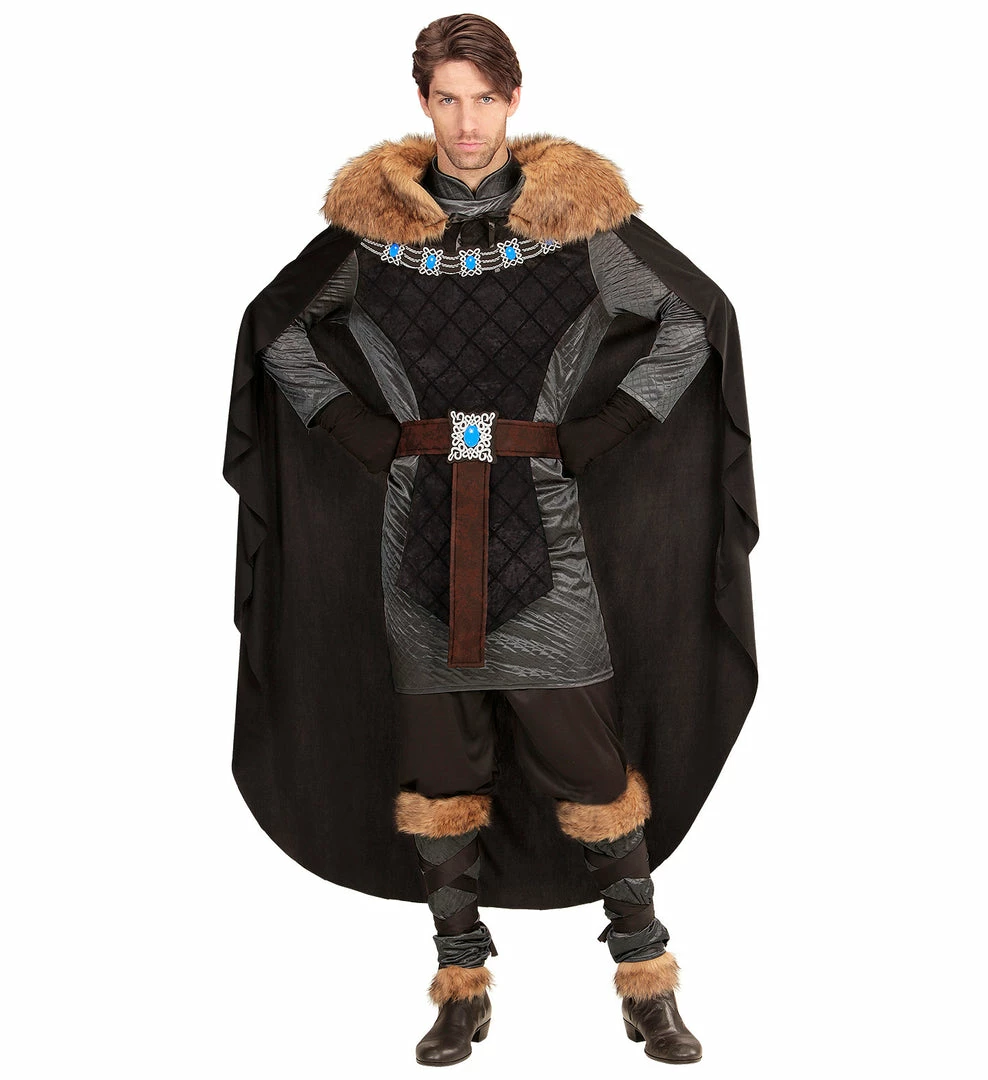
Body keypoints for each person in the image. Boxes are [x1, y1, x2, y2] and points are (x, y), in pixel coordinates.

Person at [222, 12, 759, 1068]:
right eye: (446, 100)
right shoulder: (375, 232)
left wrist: (608, 428)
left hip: (539, 530)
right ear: (423, 103)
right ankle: (460, 985)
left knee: (589, 765)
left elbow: (695, 320)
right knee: (438, 769)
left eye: (483, 99)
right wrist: (354, 427)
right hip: (416, 534)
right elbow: (275, 329)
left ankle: (645, 980)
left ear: (513, 99)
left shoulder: (577, 224)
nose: (466, 124)